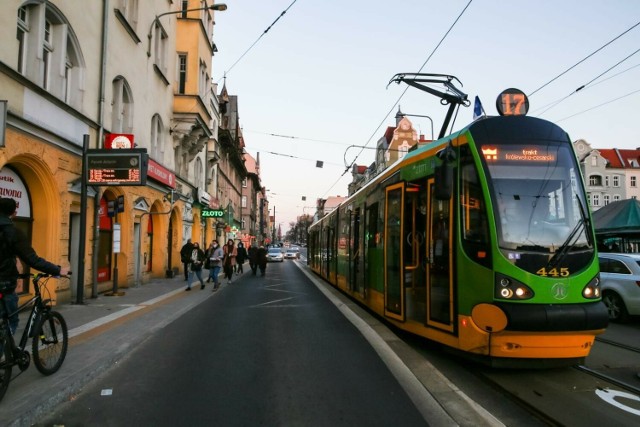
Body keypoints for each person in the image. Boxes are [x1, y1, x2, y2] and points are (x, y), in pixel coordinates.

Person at [0, 197, 70, 334]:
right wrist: (58, 270)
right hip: (4, 283)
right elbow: (32, 260)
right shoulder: (13, 232)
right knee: (9, 322)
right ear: (13, 212)